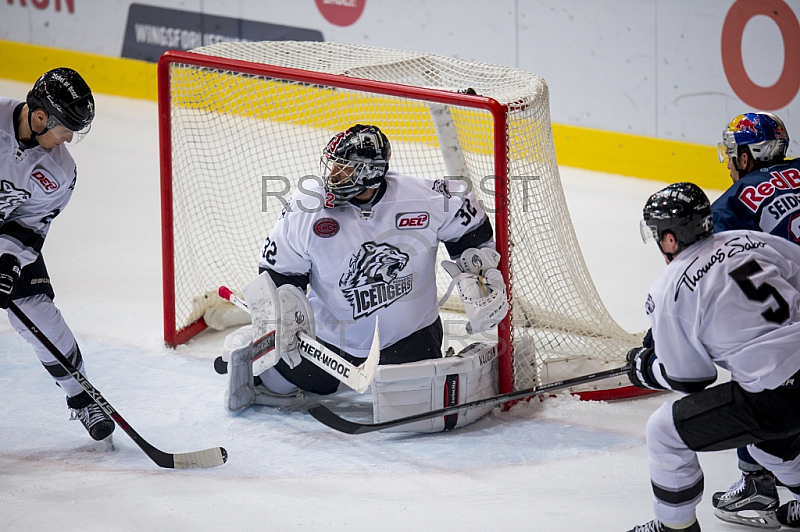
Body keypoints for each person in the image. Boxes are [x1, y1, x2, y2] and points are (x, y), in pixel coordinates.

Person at [222, 124, 507, 428]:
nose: (333, 174)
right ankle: (263, 349)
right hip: (327, 339)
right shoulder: (307, 206)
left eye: (344, 168)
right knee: (273, 385)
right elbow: (278, 270)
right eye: (333, 164)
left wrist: (477, 268)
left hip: (408, 336)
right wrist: (284, 313)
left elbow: (468, 225)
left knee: (415, 407)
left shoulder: (423, 197)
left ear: (371, 173)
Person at [625, 182, 800, 531]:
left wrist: (647, 369)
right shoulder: (749, 239)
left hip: (778, 398)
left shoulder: (669, 289)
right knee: (771, 445)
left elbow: (691, 379)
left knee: (664, 430)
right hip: (787, 389)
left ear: (670, 238)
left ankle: (674, 526)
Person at [0, 68, 114, 442]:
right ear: (38, 117)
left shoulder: (61, 170)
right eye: (65, 128)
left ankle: (82, 398)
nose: (68, 138)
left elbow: (30, 226)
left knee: (39, 313)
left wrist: (6, 262)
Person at [709, 112, 796, 525]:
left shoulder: (732, 201)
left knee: (753, 365)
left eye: (732, 154)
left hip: (789, 311)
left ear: (747, 158)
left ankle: (757, 483)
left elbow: (729, 269)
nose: (729, 162)